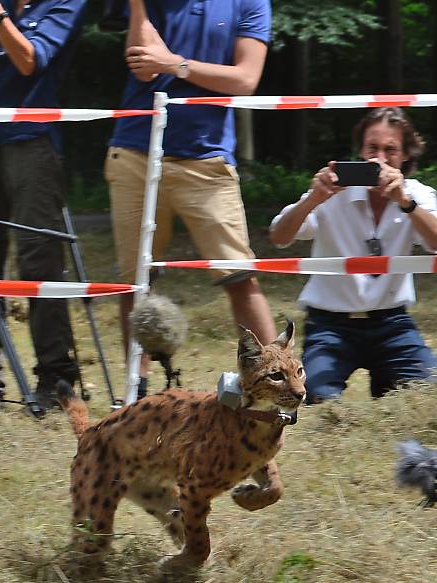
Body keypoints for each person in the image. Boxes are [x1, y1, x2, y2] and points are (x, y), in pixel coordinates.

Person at [107, 0, 276, 395]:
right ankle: (138, 392)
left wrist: (176, 65)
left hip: (208, 159)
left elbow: (245, 79)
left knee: (239, 275)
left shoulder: (250, 3)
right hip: (135, 150)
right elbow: (142, 63)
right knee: (136, 283)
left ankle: (274, 383)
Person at [268, 107, 437, 402]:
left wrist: (404, 201)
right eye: (372, 148)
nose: (379, 158)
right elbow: (280, 237)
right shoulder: (334, 191)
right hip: (330, 324)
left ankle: (388, 382)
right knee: (316, 396)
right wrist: (314, 199)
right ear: (360, 150)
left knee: (431, 393)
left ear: (405, 156)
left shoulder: (417, 193)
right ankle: (366, 385)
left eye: (390, 150)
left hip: (392, 323)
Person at [0, 0, 86, 409]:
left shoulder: (64, 4)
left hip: (33, 141)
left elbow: (30, 60)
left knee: (38, 259)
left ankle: (55, 376)